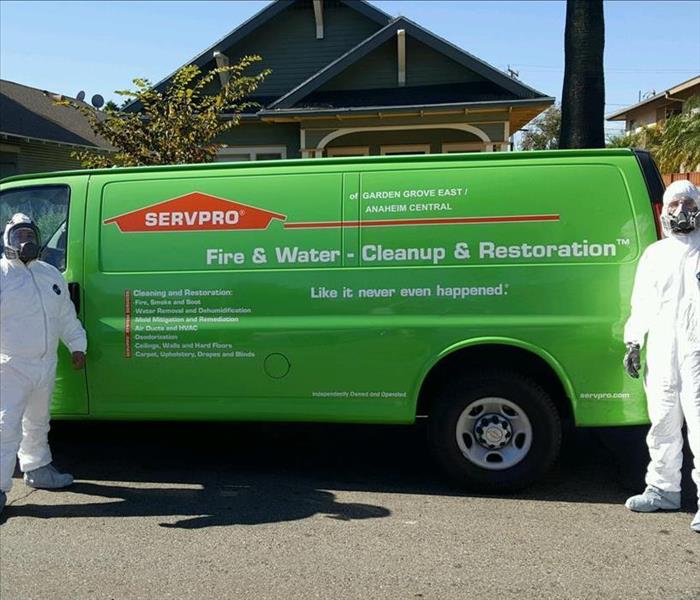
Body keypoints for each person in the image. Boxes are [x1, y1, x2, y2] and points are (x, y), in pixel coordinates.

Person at [623, 179, 700, 533]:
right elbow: (643, 304)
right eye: (674, 204)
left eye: (687, 202)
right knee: (664, 421)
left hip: (698, 351)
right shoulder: (656, 255)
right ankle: (663, 489)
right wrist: (634, 341)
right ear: (664, 210)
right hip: (664, 350)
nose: (681, 210)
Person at [0, 213, 87, 515]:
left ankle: (37, 468)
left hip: (45, 364)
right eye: (19, 236)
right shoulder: (1, 275)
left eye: (30, 236)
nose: (25, 242)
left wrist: (77, 345)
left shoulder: (49, 274)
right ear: (7, 240)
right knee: (4, 428)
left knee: (38, 422)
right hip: (9, 365)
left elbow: (65, 315)